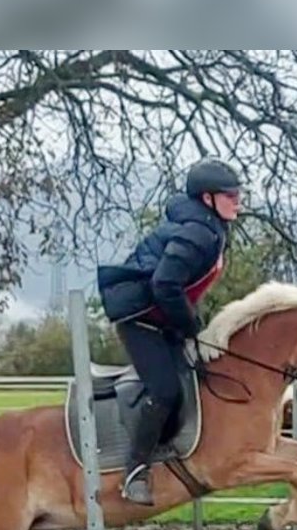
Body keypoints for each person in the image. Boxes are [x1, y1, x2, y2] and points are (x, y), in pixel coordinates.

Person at [96, 158, 244, 505]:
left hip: (160, 317)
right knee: (165, 391)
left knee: (198, 378)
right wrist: (190, 325)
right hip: (141, 320)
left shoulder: (208, 226)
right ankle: (135, 470)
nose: (238, 200)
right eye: (230, 195)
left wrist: (188, 323)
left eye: (238, 194)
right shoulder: (198, 232)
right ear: (207, 199)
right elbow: (165, 284)